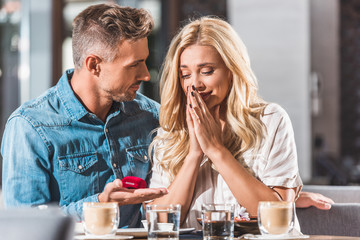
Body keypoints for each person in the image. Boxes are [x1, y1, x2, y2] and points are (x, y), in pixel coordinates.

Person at [1, 3, 167, 227]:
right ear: (94, 65)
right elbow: (25, 226)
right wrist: (99, 204)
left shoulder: (151, 116)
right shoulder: (29, 126)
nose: (146, 75)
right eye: (134, 65)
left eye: (145, 62)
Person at [148, 16, 303, 229]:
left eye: (207, 71)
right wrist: (194, 155)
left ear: (232, 70)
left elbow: (278, 219)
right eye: (185, 75)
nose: (195, 84)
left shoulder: (271, 121)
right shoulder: (171, 131)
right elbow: (159, 223)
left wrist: (216, 151)